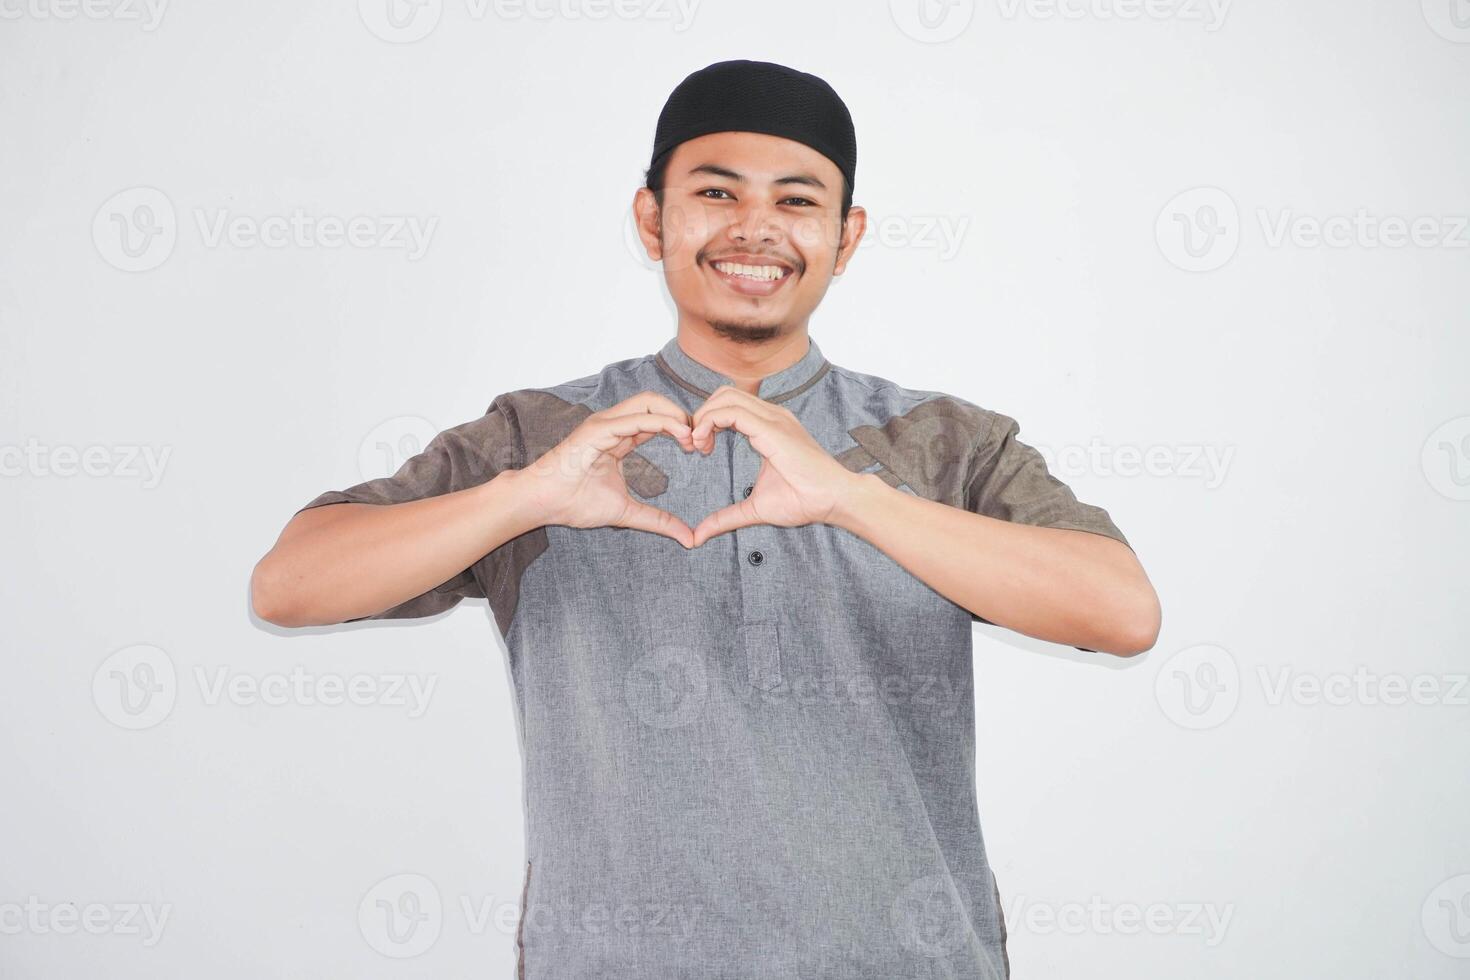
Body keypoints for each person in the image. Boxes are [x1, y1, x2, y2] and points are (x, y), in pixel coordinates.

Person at [251, 58, 1161, 980]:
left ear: (845, 239)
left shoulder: (943, 441)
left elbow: (1121, 612)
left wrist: (853, 496)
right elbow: (289, 584)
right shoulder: (548, 437)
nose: (755, 228)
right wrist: (525, 497)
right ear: (652, 220)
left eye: (797, 201)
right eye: (716, 192)